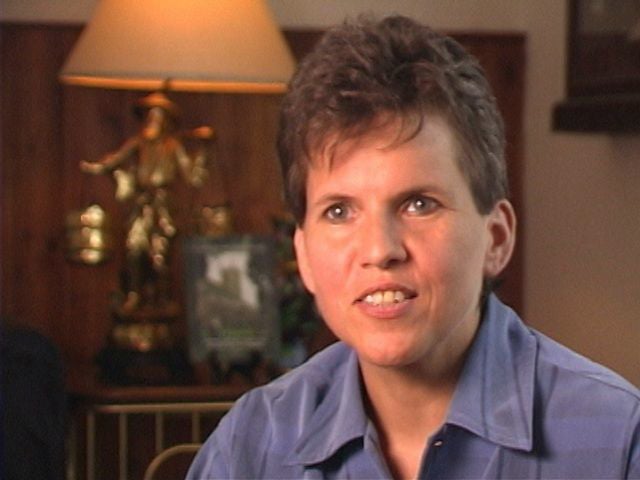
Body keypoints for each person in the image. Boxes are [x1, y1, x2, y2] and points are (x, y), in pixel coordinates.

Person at [187, 15, 640, 479]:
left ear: (496, 238)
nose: (380, 249)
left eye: (419, 204)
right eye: (339, 211)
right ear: (303, 255)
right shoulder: (251, 445)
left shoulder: (617, 439)